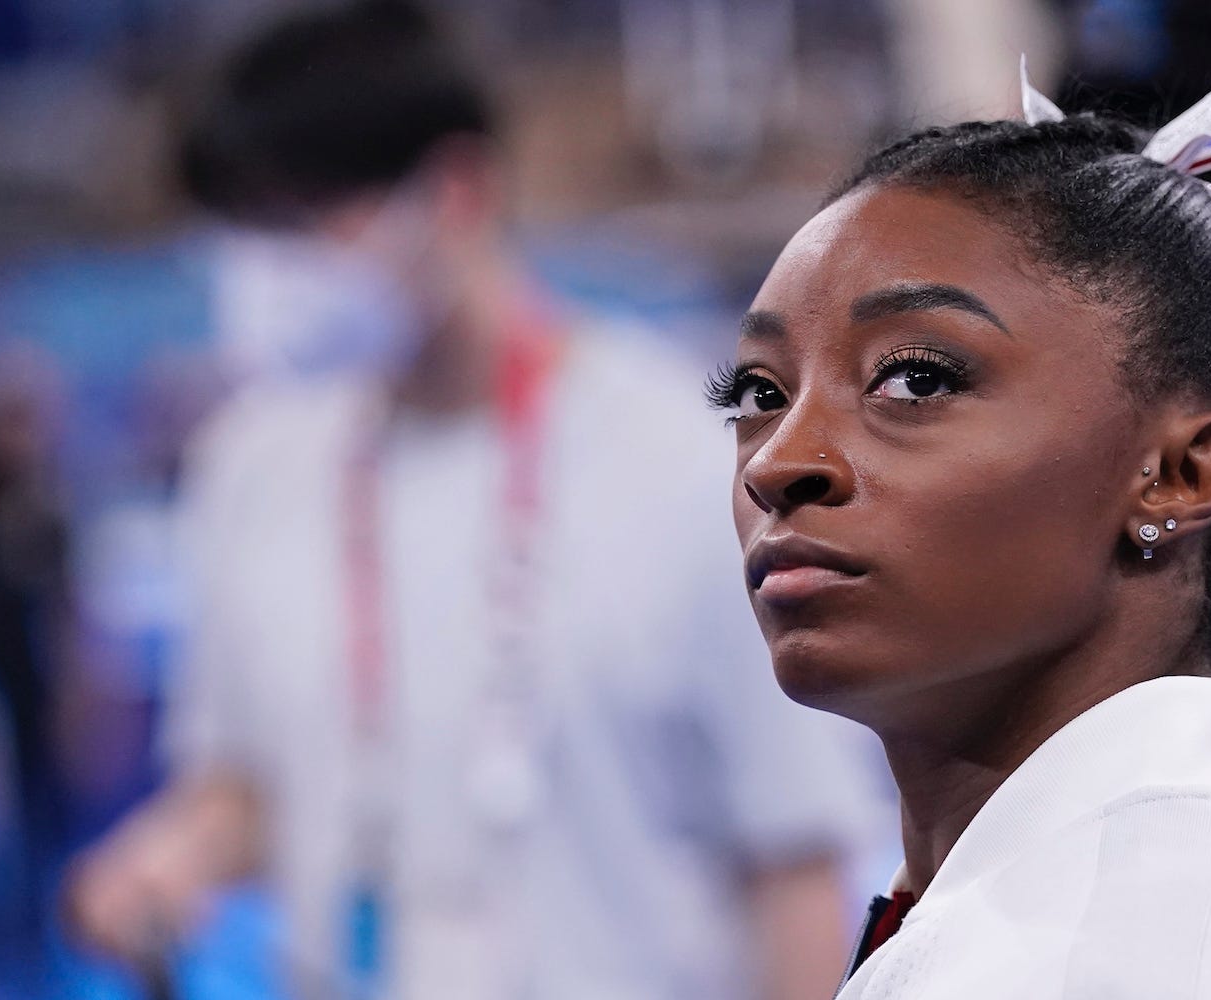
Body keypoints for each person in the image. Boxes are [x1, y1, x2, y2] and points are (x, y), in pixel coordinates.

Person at [63, 3, 874, 997]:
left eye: (300, 221)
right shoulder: (253, 464)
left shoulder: (683, 462)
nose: (266, 272)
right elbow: (246, 787)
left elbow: (793, 859)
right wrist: (165, 861)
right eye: (243, 230)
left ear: (452, 189)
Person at [716, 53, 1211, 997]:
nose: (780, 461)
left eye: (916, 378)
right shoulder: (1032, 919)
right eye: (758, 392)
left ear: (1178, 476)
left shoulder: (1121, 958)